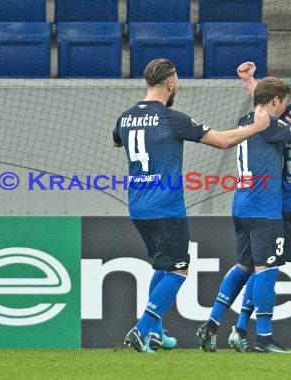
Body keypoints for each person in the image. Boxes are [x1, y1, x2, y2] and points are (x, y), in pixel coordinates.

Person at [113, 58, 271, 354]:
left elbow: (117, 142)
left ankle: (156, 334)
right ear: (171, 84)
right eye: (177, 82)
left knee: (162, 265)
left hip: (137, 205)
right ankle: (142, 328)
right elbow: (223, 141)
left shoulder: (125, 117)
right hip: (166, 205)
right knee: (179, 270)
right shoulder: (171, 118)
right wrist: (257, 126)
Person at [196, 77, 291, 353]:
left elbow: (266, 100)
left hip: (241, 204)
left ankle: (211, 324)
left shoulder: (247, 118)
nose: (284, 110)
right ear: (276, 102)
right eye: (282, 103)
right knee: (266, 270)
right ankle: (264, 338)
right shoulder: (268, 122)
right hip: (263, 208)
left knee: (243, 266)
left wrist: (250, 82)